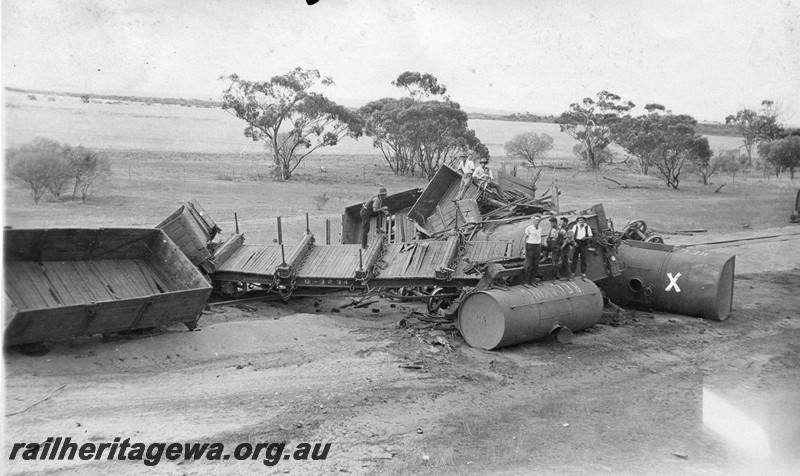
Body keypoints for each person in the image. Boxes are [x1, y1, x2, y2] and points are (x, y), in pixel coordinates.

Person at [522, 215, 543, 285]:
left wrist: (540, 249)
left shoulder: (540, 228)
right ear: (533, 220)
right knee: (528, 265)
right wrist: (524, 249)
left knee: (535, 265)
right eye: (536, 220)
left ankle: (532, 281)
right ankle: (525, 281)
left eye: (539, 220)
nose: (537, 221)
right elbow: (524, 239)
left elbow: (539, 239)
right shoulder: (529, 228)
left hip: (537, 247)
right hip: (530, 247)